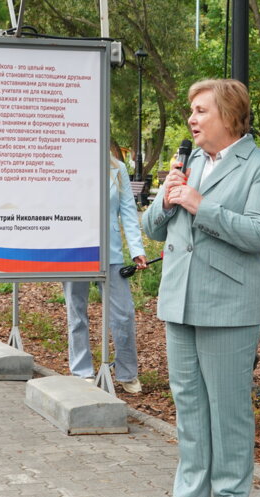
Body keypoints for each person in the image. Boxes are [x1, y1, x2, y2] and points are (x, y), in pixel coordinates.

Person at [142, 78, 260, 497]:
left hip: (229, 303)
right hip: (178, 298)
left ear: (228, 115)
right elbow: (154, 229)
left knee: (228, 405)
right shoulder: (189, 161)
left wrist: (202, 206)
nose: (191, 119)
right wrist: (166, 198)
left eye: (201, 110)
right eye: (191, 111)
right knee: (188, 401)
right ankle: (190, 494)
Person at [63, 154, 146, 393]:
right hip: (74, 251)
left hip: (111, 253)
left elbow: (129, 212)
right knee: (76, 312)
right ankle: (82, 370)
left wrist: (137, 249)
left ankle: (127, 373)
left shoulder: (117, 168)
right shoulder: (66, 162)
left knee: (123, 314)